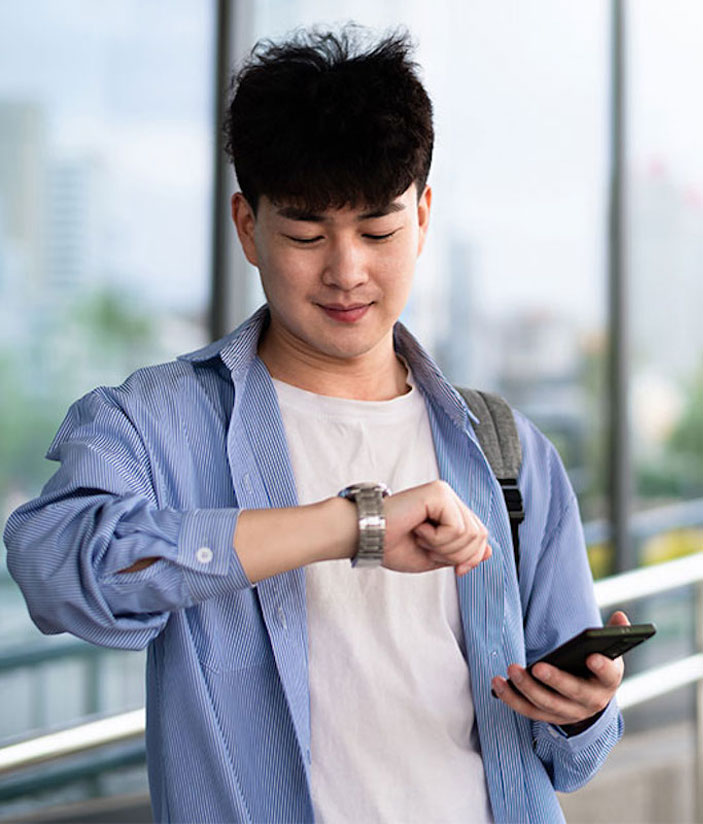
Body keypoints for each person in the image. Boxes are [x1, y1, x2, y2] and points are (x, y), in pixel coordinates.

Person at [4, 25, 626, 824]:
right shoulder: (154, 424)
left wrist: (581, 706)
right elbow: (58, 574)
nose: (345, 270)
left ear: (423, 215)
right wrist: (350, 526)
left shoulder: (504, 448)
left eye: (376, 231)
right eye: (304, 233)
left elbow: (570, 756)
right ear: (246, 225)